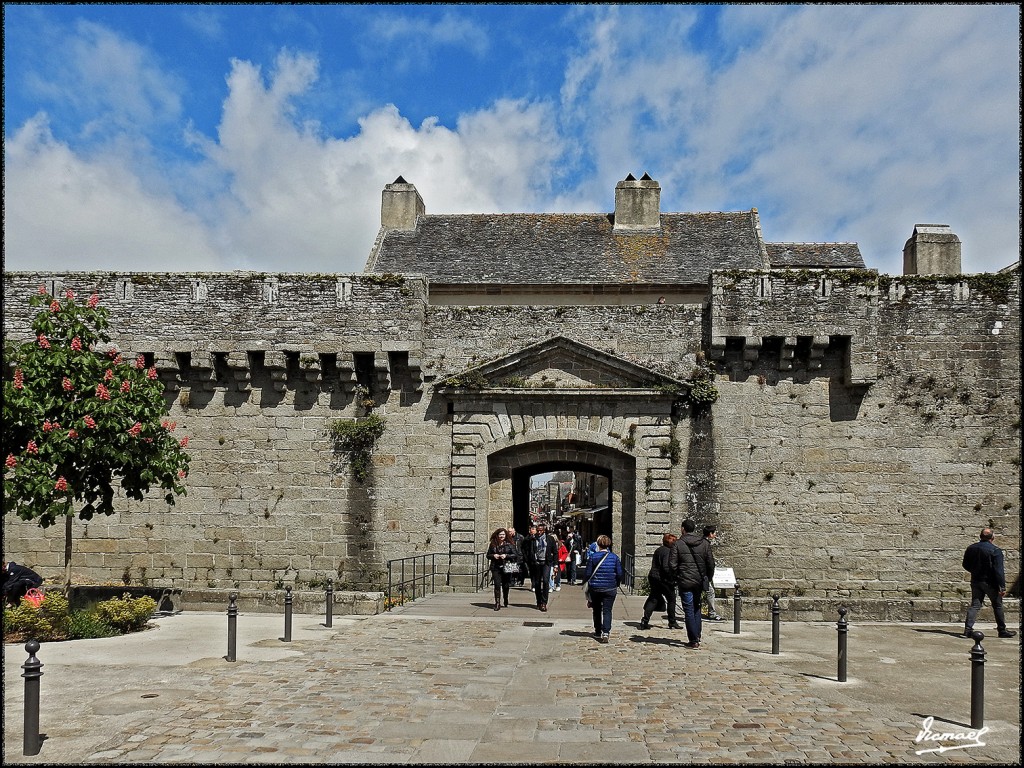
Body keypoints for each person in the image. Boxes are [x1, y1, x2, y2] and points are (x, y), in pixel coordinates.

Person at [962, 528, 1016, 638]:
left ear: (980, 536)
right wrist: (1002, 587)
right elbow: (999, 570)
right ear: (992, 537)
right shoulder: (995, 550)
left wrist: (974, 571)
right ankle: (1002, 630)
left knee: (975, 605)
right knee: (997, 605)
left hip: (976, 580)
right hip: (991, 583)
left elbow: (965, 564)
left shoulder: (971, 548)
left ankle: (967, 629)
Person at [670, 519, 715, 649]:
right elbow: (711, 564)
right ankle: (697, 635)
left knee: (689, 609)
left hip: (685, 580)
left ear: (683, 529)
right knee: (696, 607)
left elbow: (672, 564)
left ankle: (693, 639)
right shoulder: (704, 543)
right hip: (699, 580)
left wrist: (677, 577)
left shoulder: (678, 544)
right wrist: (707, 578)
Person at [583, 535, 624, 643]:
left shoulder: (593, 557)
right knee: (607, 610)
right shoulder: (614, 557)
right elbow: (619, 573)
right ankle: (606, 632)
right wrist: (617, 583)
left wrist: (586, 583)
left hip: (595, 588)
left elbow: (588, 573)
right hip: (610, 587)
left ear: (598, 544)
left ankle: (597, 631)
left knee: (596, 610)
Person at [641, 533, 679, 630]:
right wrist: (672, 578)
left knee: (654, 599)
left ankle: (645, 620)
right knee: (671, 599)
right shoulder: (668, 551)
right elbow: (666, 567)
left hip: (653, 577)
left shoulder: (658, 550)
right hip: (663, 579)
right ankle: (672, 621)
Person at [526, 521, 559, 611]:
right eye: (538, 530)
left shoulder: (550, 539)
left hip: (546, 563)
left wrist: (556, 565)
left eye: (541, 530)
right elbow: (527, 547)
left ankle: (544, 602)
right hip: (536, 563)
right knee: (537, 583)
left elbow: (555, 552)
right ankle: (539, 601)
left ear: (544, 531)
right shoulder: (533, 539)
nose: (539, 532)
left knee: (545, 581)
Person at [485, 528, 519, 610]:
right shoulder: (493, 544)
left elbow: (515, 555)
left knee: (505, 585)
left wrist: (506, 556)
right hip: (496, 567)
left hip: (506, 567)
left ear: (506, 535)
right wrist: (493, 555)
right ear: (497, 535)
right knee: (497, 585)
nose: (501, 536)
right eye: (500, 534)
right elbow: (488, 555)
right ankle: (497, 603)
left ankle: (505, 599)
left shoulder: (510, 544)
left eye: (503, 534)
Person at [701, 525, 724, 621]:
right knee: (710, 592)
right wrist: (710, 576)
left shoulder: (701, 542)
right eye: (714, 533)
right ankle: (712, 613)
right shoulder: (706, 544)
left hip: (699, 573)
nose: (715, 534)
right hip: (704, 574)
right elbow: (710, 562)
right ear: (710, 534)